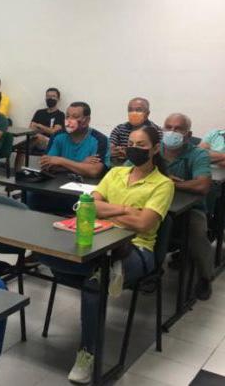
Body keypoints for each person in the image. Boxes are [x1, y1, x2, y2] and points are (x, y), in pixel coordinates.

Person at [41, 126, 174, 384]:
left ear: (156, 149)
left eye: (142, 145)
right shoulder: (115, 172)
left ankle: (87, 353)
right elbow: (87, 205)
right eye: (131, 143)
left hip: (137, 249)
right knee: (45, 255)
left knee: (95, 284)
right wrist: (126, 210)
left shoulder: (163, 184)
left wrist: (106, 210)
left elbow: (144, 224)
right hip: (99, 240)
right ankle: (107, 269)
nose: (134, 148)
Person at [161, 113, 214, 300]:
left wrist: (170, 183)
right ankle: (151, 272)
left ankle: (205, 277)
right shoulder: (153, 149)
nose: (172, 132)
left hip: (191, 210)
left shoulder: (198, 154)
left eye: (178, 129)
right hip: (157, 205)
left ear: (188, 134)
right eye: (168, 127)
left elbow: (203, 185)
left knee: (197, 233)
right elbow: (128, 171)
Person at [31, 102, 109, 214]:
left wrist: (61, 161)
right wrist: (82, 164)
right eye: (67, 116)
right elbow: (47, 165)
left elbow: (94, 171)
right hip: (55, 187)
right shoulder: (58, 135)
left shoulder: (99, 139)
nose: (69, 120)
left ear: (86, 120)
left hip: (84, 193)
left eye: (75, 117)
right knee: (33, 197)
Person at [14, 87, 65, 170]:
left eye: (53, 96)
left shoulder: (60, 115)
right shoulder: (39, 112)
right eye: (48, 96)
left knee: (37, 138)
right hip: (34, 138)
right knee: (25, 145)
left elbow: (54, 132)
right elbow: (31, 128)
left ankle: (21, 148)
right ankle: (17, 172)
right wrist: (45, 129)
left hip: (50, 141)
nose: (50, 98)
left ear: (58, 99)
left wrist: (40, 126)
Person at [109, 97, 162, 166]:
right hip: (118, 165)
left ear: (147, 113)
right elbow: (110, 149)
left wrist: (131, 154)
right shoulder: (120, 129)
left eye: (138, 110)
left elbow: (158, 155)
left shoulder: (157, 131)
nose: (134, 113)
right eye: (130, 110)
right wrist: (114, 151)